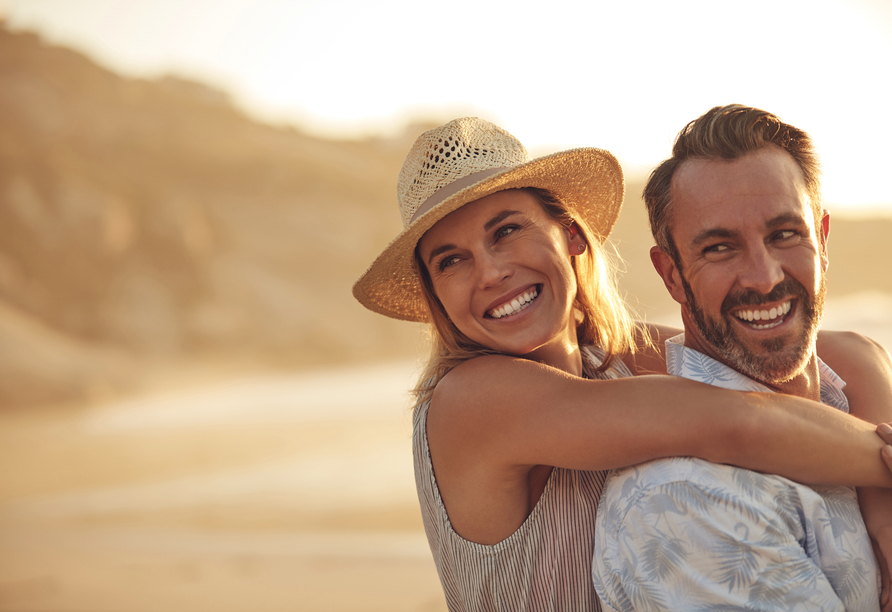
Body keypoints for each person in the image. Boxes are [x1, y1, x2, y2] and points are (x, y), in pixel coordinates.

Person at [352, 116, 892, 612]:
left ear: (568, 236)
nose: (490, 272)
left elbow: (849, 353)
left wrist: (883, 509)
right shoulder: (470, 401)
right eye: (452, 261)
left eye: (507, 230)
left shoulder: (605, 360)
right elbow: (736, 421)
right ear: (436, 294)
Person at [592, 104, 892, 612]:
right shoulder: (687, 500)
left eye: (784, 234)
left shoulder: (850, 394)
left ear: (821, 239)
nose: (764, 276)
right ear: (671, 276)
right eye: (719, 248)